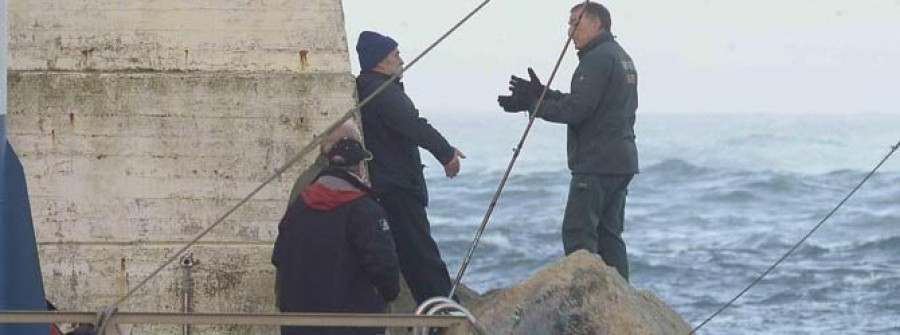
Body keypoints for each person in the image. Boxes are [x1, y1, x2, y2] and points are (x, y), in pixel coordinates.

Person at [498, 2, 639, 281]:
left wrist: (533, 105)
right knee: (609, 235)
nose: (570, 31)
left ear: (597, 24)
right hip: (620, 160)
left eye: (576, 22)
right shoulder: (620, 57)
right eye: (569, 23)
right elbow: (590, 103)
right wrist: (543, 94)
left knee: (578, 233)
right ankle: (622, 296)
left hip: (596, 163)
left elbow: (577, 111)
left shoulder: (596, 59)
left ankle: (587, 299)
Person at [355, 31, 465, 303]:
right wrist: (446, 152)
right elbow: (413, 125)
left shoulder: (372, 88)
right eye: (396, 55)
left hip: (390, 187)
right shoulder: (382, 91)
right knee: (422, 257)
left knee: (413, 257)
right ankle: (446, 314)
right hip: (397, 188)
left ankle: (436, 312)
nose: (401, 60)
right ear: (381, 62)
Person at [272, 137, 400, 335]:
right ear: (359, 168)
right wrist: (388, 294)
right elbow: (385, 269)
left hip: (298, 323)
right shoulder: (365, 209)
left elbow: (278, 256)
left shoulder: (300, 206)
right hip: (350, 325)